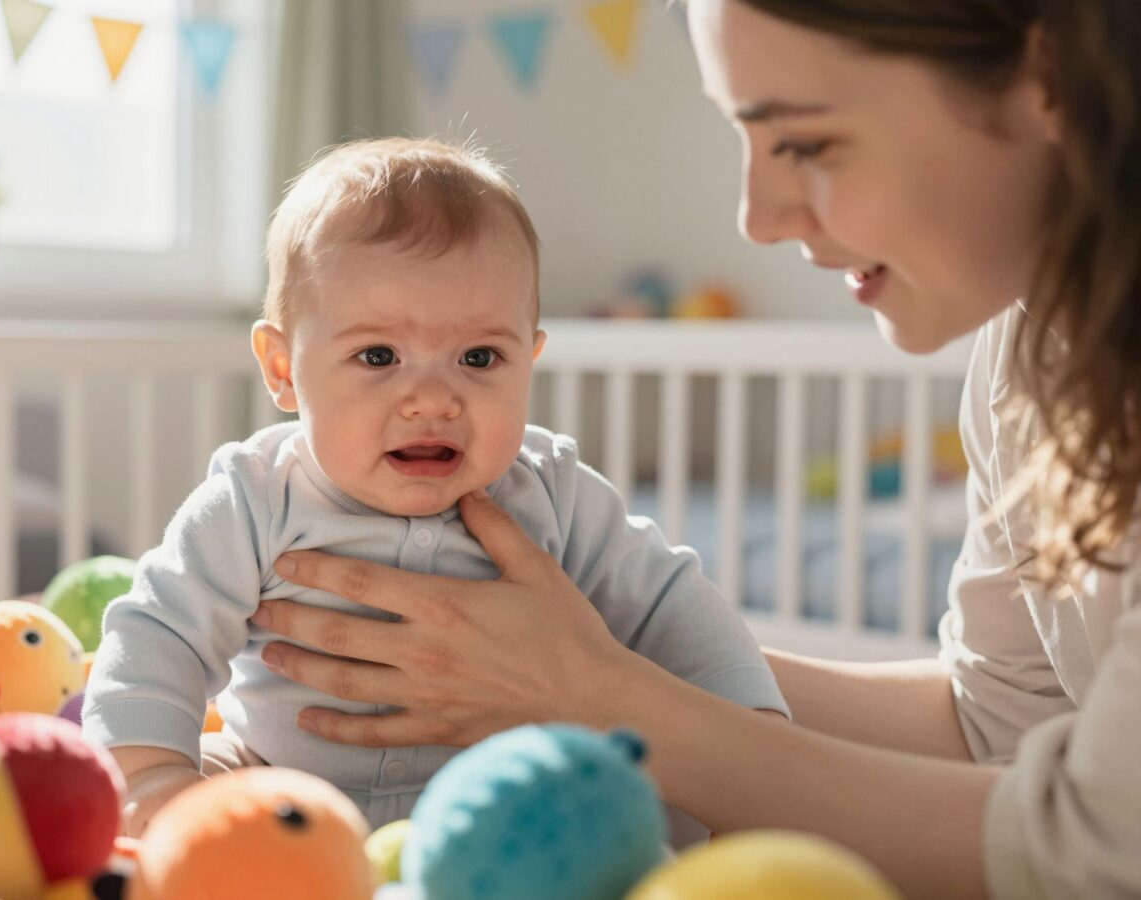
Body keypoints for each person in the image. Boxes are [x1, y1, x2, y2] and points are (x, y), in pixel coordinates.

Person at [246, 2, 1141, 898]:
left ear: (1048, 78)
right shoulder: (1033, 351)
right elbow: (995, 722)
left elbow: (1100, 845)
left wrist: (598, 695)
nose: (755, 216)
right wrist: (598, 655)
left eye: (802, 142)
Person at [81, 137, 787, 841]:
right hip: (281, 783)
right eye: (378, 356)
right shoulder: (256, 498)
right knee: (197, 806)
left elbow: (671, 604)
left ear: (529, 360)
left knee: (645, 816)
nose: (432, 399)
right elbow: (158, 633)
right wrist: (152, 777)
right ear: (283, 369)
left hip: (496, 808)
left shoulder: (553, 493)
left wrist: (750, 728)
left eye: (479, 358)